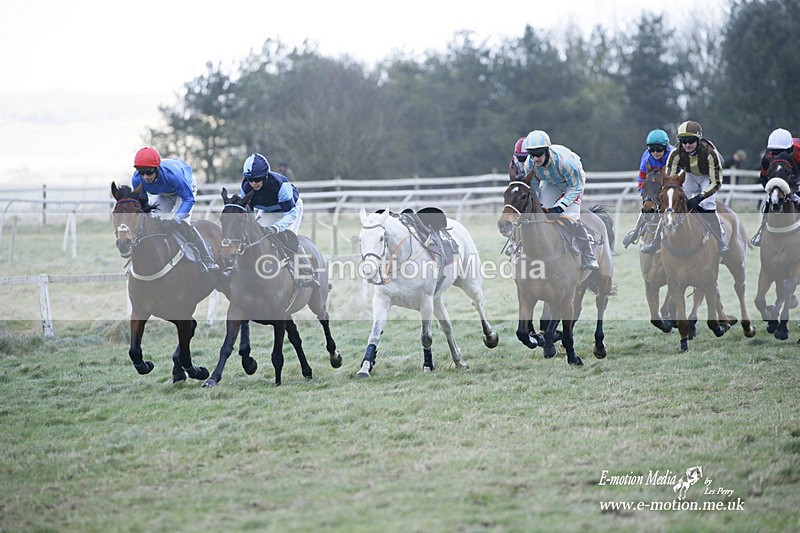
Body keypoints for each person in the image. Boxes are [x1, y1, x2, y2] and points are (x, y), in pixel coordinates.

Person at [641, 120, 728, 255]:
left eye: (691, 141)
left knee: (708, 204)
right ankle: (656, 241)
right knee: (671, 202)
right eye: (683, 141)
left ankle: (721, 241)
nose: (687, 145)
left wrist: (699, 197)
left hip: (707, 178)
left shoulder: (710, 152)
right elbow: (669, 177)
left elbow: (716, 182)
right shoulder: (676, 153)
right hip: (689, 176)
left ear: (698, 139)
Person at [130, 146, 219, 273]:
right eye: (141, 172)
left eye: (149, 172)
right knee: (153, 222)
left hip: (185, 189)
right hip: (164, 192)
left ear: (157, 168)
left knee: (183, 224)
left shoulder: (172, 176)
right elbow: (143, 203)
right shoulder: (136, 179)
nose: (145, 177)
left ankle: (207, 260)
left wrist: (176, 219)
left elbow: (188, 199)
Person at [240, 152, 319, 288]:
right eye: (250, 179)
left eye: (257, 179)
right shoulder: (245, 187)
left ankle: (306, 271)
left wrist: (277, 227)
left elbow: (291, 214)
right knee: (259, 238)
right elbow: (248, 213)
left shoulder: (281, 184)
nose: (253, 183)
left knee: (287, 237)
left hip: (290, 209)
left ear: (265, 175)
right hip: (266, 209)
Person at [522, 129, 598, 270]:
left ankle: (588, 253)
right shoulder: (529, 164)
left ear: (546, 150)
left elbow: (576, 187)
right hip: (551, 182)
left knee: (570, 217)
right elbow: (534, 187)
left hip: (573, 184)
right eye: (532, 154)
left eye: (538, 153)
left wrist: (560, 206)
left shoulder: (566, 162)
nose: (535, 158)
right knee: (542, 214)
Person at [622, 129, 675, 247]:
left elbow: (679, 177)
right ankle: (636, 231)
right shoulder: (646, 157)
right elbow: (641, 179)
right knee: (647, 206)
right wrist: (644, 194)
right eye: (652, 149)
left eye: (659, 149)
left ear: (666, 147)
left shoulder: (673, 155)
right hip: (655, 186)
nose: (655, 152)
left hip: (672, 184)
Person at [750, 128, 800, 245]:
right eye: (775, 152)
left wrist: (795, 194)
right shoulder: (767, 159)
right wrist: (772, 192)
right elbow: (764, 179)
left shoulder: (798, 153)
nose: (778, 156)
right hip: (784, 175)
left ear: (790, 150)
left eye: (782, 152)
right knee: (770, 201)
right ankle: (762, 231)